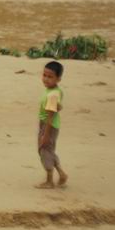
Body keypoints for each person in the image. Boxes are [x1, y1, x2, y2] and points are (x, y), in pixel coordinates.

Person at [36, 61, 69, 189]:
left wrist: (45, 134)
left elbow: (50, 115)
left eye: (50, 77)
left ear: (58, 79)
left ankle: (49, 181)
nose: (46, 79)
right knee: (48, 150)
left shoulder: (52, 95)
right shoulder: (55, 90)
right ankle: (61, 174)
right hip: (49, 124)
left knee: (44, 151)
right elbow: (58, 107)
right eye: (44, 75)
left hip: (49, 125)